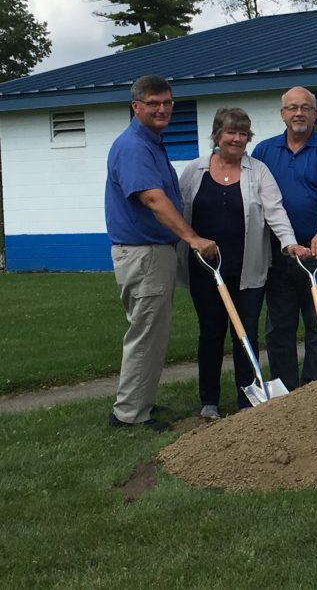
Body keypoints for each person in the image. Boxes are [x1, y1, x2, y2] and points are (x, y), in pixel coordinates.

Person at [178, 108, 310, 419]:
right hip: (205, 271)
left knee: (245, 334)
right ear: (217, 135)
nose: (237, 139)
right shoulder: (194, 171)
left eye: (243, 133)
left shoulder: (259, 171)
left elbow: (275, 211)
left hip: (248, 270)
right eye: (231, 132)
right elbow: (181, 215)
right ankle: (209, 400)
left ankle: (245, 399)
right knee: (210, 333)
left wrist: (289, 242)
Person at [104, 74, 217, 432]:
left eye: (167, 102)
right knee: (146, 332)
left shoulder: (151, 142)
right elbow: (153, 199)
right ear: (135, 106)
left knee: (153, 331)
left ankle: (142, 403)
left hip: (153, 252)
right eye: (153, 103)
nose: (162, 109)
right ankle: (129, 415)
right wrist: (193, 238)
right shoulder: (135, 147)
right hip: (144, 254)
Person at [251, 87, 317, 391]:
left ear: (315, 114)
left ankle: (316, 388)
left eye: (306, 108)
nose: (299, 114)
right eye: (292, 108)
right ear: (282, 114)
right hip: (279, 251)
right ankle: (284, 389)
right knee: (279, 325)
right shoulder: (264, 152)